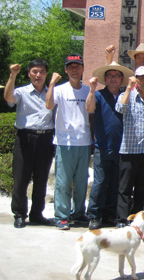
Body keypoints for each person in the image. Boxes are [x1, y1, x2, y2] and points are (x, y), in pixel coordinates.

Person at [4, 60, 55, 228]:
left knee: (41, 179)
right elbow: (8, 98)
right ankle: (19, 214)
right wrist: (13, 75)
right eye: (34, 72)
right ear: (29, 74)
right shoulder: (22, 92)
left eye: (41, 72)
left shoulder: (51, 93)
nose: (38, 75)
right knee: (21, 178)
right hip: (25, 138)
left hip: (46, 139)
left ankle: (37, 214)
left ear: (46, 74)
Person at [46, 54, 92, 230]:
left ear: (82, 69)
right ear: (66, 69)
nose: (74, 69)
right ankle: (62, 215)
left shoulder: (88, 90)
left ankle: (79, 213)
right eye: (71, 66)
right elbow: (49, 105)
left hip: (84, 142)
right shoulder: (59, 89)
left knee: (81, 182)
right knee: (63, 182)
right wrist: (51, 84)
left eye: (77, 66)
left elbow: (92, 112)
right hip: (65, 142)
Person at [85, 62, 134, 230]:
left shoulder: (125, 96)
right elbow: (89, 108)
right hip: (103, 146)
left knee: (116, 183)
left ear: (122, 79)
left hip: (122, 147)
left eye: (117, 76)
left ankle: (109, 213)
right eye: (110, 76)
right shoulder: (98, 95)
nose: (113, 78)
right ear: (105, 79)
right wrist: (91, 89)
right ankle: (93, 215)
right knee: (100, 182)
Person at [115, 66, 144, 227]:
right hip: (129, 149)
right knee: (125, 188)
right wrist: (128, 88)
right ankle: (122, 219)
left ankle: (138, 219)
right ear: (136, 80)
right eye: (142, 78)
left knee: (142, 188)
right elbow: (120, 108)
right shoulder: (127, 96)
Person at [106, 43, 144, 118]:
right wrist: (109, 58)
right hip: (128, 117)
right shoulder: (128, 76)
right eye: (139, 57)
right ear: (135, 59)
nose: (142, 60)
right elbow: (110, 83)